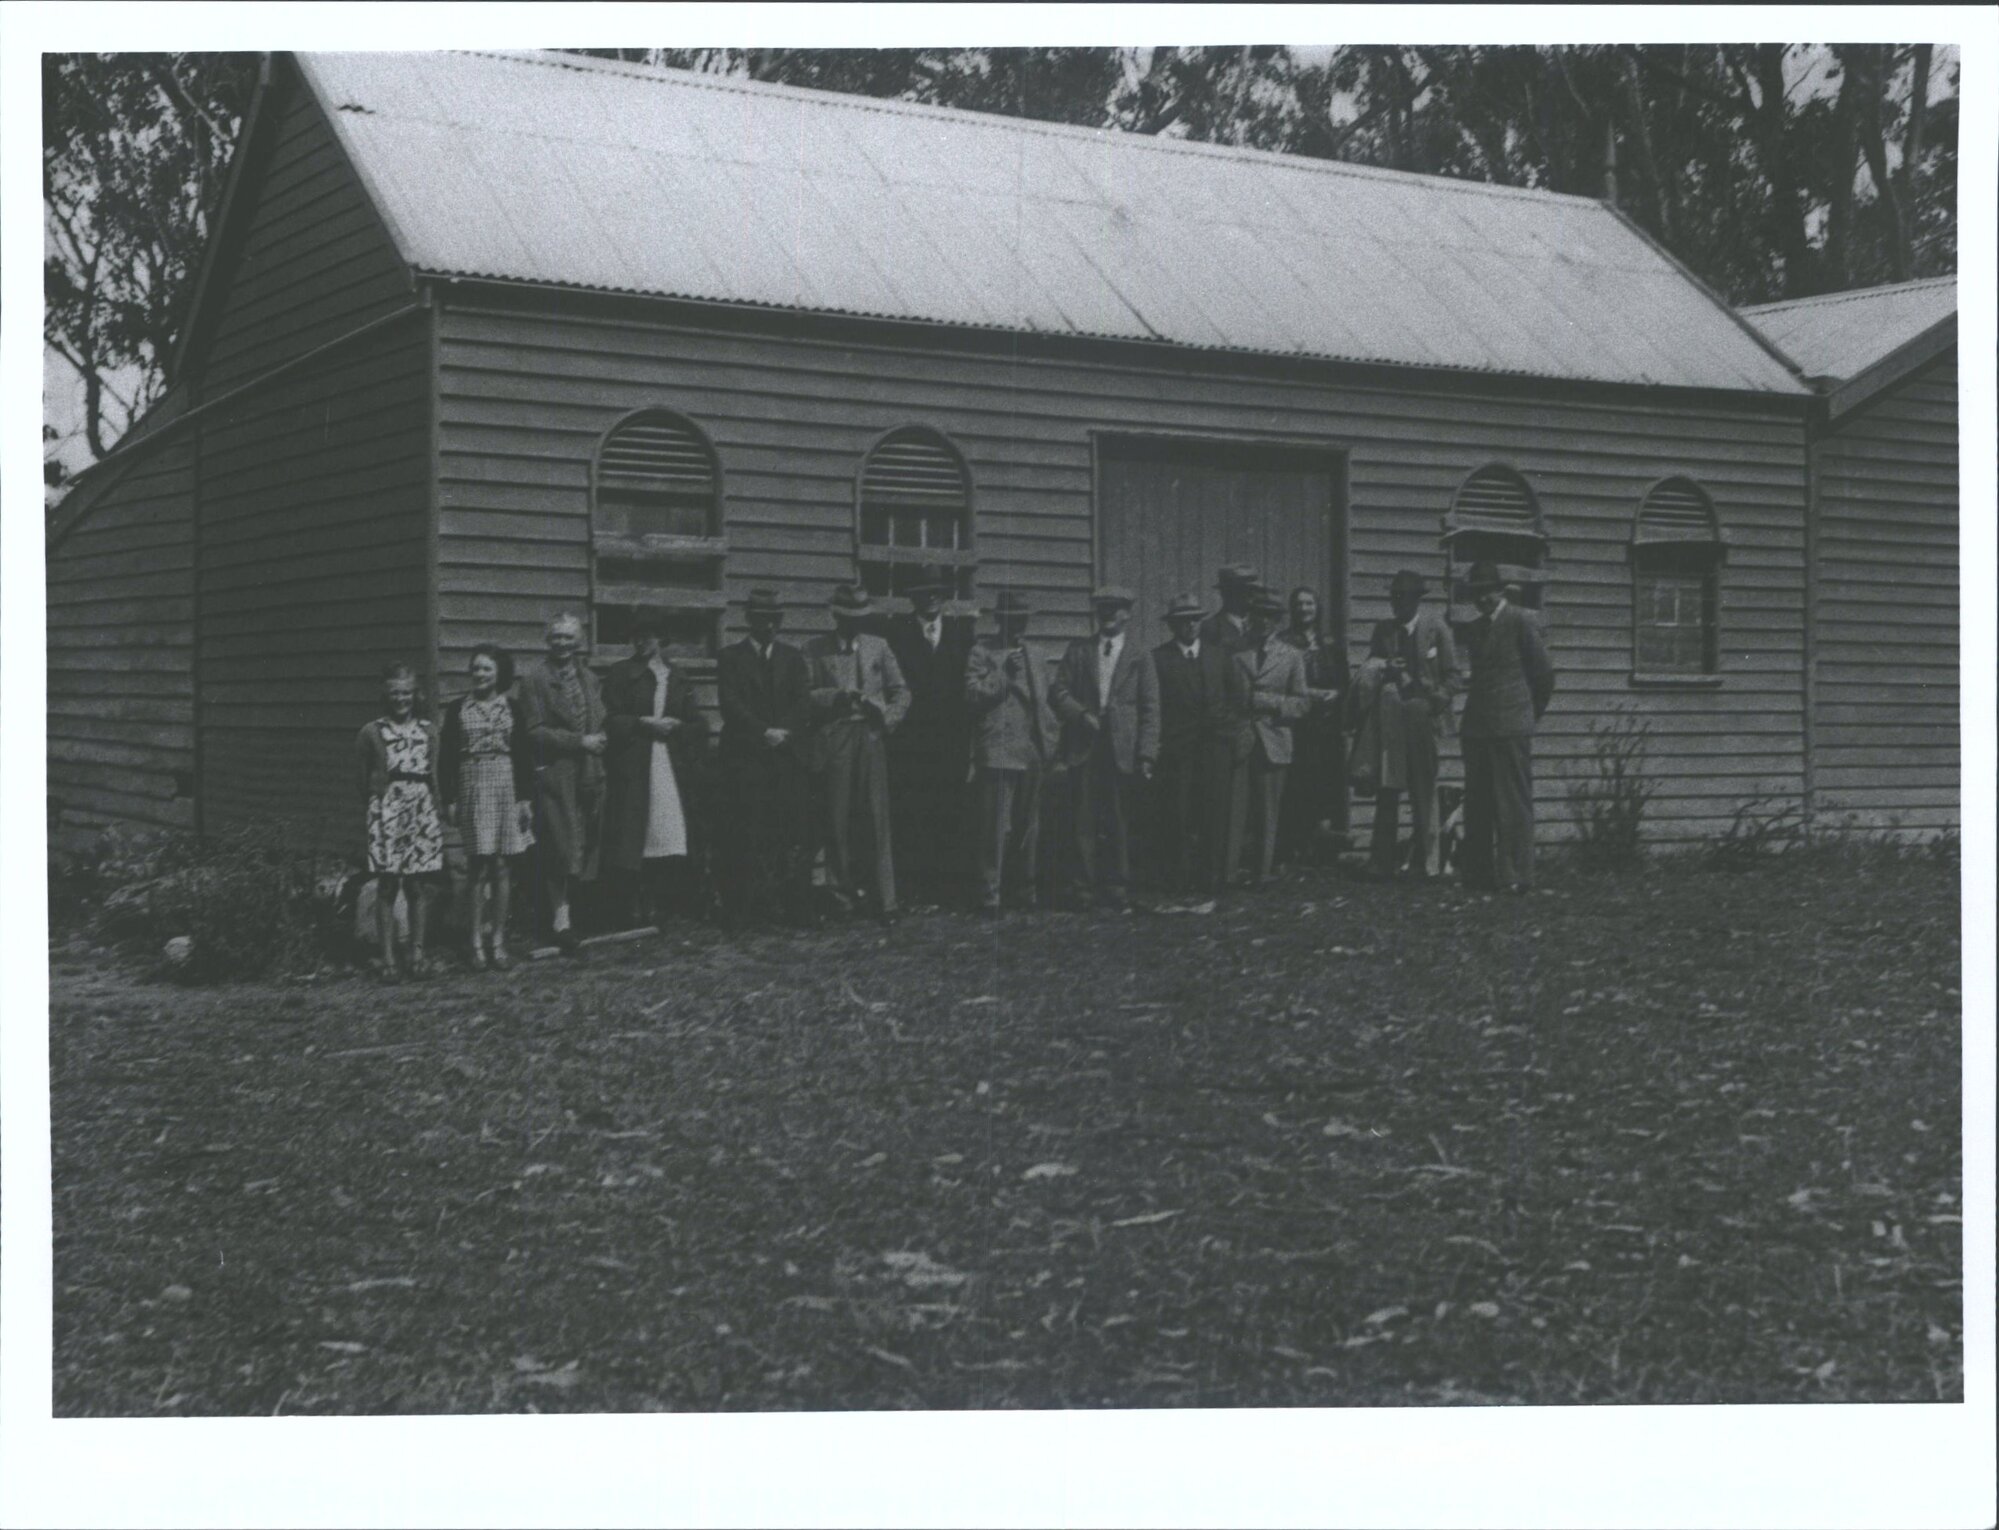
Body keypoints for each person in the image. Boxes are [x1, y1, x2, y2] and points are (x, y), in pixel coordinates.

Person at [803, 585, 910, 923]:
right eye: (847, 618)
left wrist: (886, 719)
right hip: (836, 737)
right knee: (837, 819)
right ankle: (841, 899)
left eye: (859, 618)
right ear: (835, 616)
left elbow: (902, 692)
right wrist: (836, 696)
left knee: (876, 819)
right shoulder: (815, 649)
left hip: (871, 736)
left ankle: (885, 901)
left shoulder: (879, 647)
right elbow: (803, 695)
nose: (853, 625)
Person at [1050, 585, 1159, 911]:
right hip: (1085, 745)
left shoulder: (1140, 655)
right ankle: (1083, 889)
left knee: (1118, 818)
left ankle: (1117, 886)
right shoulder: (1080, 650)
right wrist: (1081, 715)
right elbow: (1057, 692)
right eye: (1103, 609)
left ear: (1127, 614)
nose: (1109, 615)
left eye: (1116, 609)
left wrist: (1146, 753)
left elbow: (1151, 708)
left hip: (1121, 749)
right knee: (1083, 819)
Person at [715, 588, 816, 927]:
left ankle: (792, 907)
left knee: (790, 834)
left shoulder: (793, 657)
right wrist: (763, 733)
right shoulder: (731, 657)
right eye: (761, 620)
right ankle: (742, 909)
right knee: (745, 833)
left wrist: (783, 731)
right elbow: (731, 705)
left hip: (786, 757)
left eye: (774, 620)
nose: (769, 626)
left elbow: (803, 700)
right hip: (746, 758)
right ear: (749, 620)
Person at [600, 610, 706, 930]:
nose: (643, 642)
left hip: (669, 763)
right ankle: (633, 905)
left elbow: (698, 723)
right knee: (635, 833)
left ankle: (661, 904)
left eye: (650, 636)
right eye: (637, 636)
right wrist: (642, 723)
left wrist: (677, 727)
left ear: (661, 639)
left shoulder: (677, 676)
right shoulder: (621, 673)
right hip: (636, 762)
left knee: (667, 831)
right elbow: (610, 720)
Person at [1458, 561, 1555, 893]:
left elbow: (1543, 676)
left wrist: (1527, 714)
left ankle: (1516, 875)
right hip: (1477, 728)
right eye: (1476, 594)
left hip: (1511, 727)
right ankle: (1479, 874)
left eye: (1487, 592)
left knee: (1513, 804)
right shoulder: (1474, 629)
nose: (1482, 599)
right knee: (1479, 803)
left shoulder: (1520, 621)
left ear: (1500, 591)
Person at [882, 566, 974, 908]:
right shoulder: (897, 632)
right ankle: (913, 889)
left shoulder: (963, 634)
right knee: (911, 813)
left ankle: (946, 891)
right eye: (923, 592)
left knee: (948, 811)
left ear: (945, 597)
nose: (931, 598)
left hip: (951, 741)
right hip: (910, 742)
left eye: (936, 592)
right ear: (913, 598)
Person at [516, 612, 608, 958]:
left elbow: (600, 718)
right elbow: (534, 732)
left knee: (586, 843)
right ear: (546, 640)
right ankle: (559, 922)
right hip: (556, 772)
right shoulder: (534, 680)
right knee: (561, 846)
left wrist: (599, 741)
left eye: (569, 637)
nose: (562, 644)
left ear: (579, 640)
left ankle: (577, 915)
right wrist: (578, 742)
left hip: (590, 770)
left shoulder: (589, 678)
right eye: (556, 637)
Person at [1150, 589, 1249, 905]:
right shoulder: (1159, 659)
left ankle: (1212, 879)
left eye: (1194, 620)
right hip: (1178, 750)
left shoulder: (1218, 656)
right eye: (1182, 621)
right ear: (1172, 626)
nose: (1189, 626)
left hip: (1215, 747)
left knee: (1214, 813)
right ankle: (1176, 880)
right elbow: (1154, 705)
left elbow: (1238, 699)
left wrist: (1227, 731)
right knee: (1176, 815)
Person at [441, 643, 534, 971]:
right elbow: (447, 758)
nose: (479, 675)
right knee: (478, 865)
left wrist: (524, 800)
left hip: (505, 784)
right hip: (472, 783)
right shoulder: (458, 709)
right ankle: (475, 943)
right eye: (475, 668)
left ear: (498, 674)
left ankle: (498, 940)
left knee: (502, 866)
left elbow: (523, 756)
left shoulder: (512, 708)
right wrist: (449, 799)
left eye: (486, 669)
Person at [963, 590, 1056, 915]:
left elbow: (1046, 701)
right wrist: (1005, 676)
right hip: (998, 749)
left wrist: (1049, 743)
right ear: (999, 620)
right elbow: (973, 696)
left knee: (1029, 828)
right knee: (995, 829)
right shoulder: (981, 652)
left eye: (1022, 620)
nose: (1018, 627)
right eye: (1011, 620)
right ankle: (991, 895)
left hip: (1031, 749)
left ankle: (1025, 892)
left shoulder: (1037, 654)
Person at [1363, 569, 1460, 879]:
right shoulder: (1384, 631)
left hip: (1423, 715)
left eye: (1404, 598)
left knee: (1424, 788)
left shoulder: (1436, 629)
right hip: (1392, 716)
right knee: (1388, 787)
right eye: (1394, 598)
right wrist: (1384, 668)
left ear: (1417, 600)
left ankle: (1428, 863)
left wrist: (1435, 702)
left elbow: (1453, 676)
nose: (1398, 604)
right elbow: (1370, 668)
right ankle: (1382, 861)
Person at [358, 661, 443, 979]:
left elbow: (433, 775)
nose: (401, 699)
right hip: (387, 812)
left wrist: (432, 808)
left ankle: (417, 955)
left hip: (420, 810)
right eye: (395, 693)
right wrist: (378, 808)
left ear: (415, 694)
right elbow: (362, 779)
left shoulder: (428, 730)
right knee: (388, 885)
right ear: (385, 694)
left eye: (406, 693)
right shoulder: (372, 732)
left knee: (418, 885)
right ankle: (388, 959)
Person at [1229, 589, 1312, 885]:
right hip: (1241, 738)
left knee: (1268, 812)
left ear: (1277, 622)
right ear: (1250, 619)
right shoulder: (1237, 652)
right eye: (1258, 616)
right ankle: (1229, 873)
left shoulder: (1291, 656)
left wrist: (1270, 703)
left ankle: (1261, 873)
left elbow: (1302, 703)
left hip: (1274, 738)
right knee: (1235, 809)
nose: (1263, 622)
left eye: (1270, 617)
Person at [1275, 586, 1351, 866]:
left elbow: (1344, 681)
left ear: (1317, 608)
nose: (1304, 609)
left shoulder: (1329, 643)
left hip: (1327, 728)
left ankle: (1321, 851)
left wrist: (1337, 695)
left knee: (1324, 786)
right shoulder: (1283, 642)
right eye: (1299, 604)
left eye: (1309, 603)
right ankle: (1295, 848)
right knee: (1297, 787)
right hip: (1298, 727)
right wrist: (1307, 695)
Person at [1198, 564, 1261, 655]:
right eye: (1243, 589)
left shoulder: (1261, 626)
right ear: (1226, 592)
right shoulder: (1209, 628)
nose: (1251, 594)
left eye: (1254, 589)